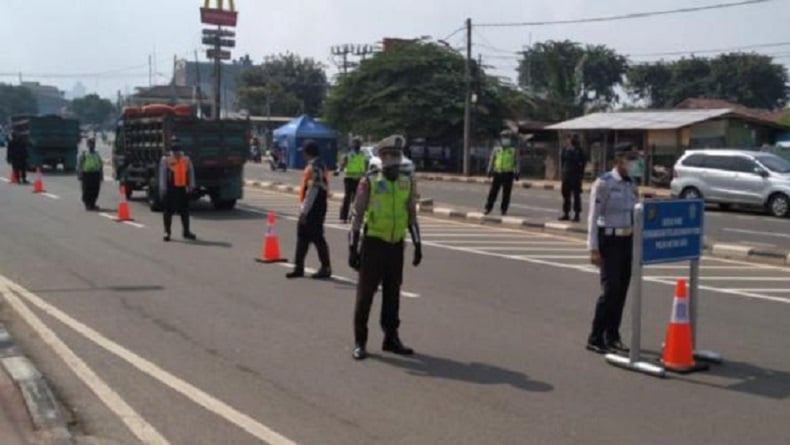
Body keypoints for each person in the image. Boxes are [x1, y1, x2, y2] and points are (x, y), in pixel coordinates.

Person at [348, 135, 423, 360]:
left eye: (396, 156)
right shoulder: (369, 181)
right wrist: (353, 247)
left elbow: (411, 214)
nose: (393, 160)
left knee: (393, 294)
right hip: (373, 244)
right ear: (381, 158)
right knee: (365, 296)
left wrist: (418, 244)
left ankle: (391, 337)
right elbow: (357, 214)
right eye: (388, 156)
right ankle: (360, 341)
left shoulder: (406, 182)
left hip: (396, 245)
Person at [586, 142, 639, 354]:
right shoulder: (604, 183)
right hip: (608, 241)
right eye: (630, 158)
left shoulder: (630, 183)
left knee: (622, 291)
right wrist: (593, 248)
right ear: (618, 160)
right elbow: (592, 217)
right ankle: (595, 337)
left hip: (627, 241)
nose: (634, 162)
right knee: (610, 291)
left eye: (635, 157)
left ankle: (613, 335)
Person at [286, 140, 332, 279]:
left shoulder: (314, 168)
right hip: (318, 205)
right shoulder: (320, 165)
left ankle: (325, 267)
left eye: (303, 151)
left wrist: (304, 212)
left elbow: (312, 191)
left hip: (314, 207)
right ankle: (298, 267)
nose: (302, 154)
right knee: (303, 237)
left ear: (307, 152)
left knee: (316, 237)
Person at [158, 137, 197, 242]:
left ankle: (186, 231)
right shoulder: (166, 159)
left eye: (178, 151)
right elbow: (162, 176)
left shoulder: (186, 159)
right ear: (172, 150)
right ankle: (167, 232)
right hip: (170, 189)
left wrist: (191, 186)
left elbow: (190, 173)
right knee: (168, 211)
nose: (177, 153)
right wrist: (163, 189)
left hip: (182, 189)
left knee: (185, 211)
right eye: (175, 151)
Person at [484, 129, 520, 216]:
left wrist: (517, 172)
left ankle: (504, 210)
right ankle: (488, 208)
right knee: (493, 192)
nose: (505, 139)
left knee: (506, 193)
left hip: (508, 173)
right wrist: (489, 170)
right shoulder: (497, 149)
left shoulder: (513, 150)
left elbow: (517, 162)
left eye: (507, 137)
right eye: (504, 137)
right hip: (497, 172)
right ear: (500, 138)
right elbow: (492, 160)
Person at [335, 137, 368, 223]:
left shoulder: (362, 155)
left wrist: (366, 174)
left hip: (359, 179)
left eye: (359, 143)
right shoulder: (348, 154)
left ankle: (354, 216)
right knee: (347, 197)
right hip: (349, 178)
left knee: (358, 199)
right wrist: (338, 170)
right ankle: (343, 217)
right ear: (352, 144)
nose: (357, 145)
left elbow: (365, 166)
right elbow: (343, 164)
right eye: (356, 143)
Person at [559, 134, 587, 222]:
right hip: (566, 175)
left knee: (576, 195)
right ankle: (566, 213)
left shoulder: (579, 150)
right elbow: (563, 161)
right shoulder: (565, 149)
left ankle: (577, 214)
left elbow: (583, 161)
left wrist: (581, 173)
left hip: (576, 175)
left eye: (570, 139)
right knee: (566, 194)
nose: (568, 141)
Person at [77, 137, 104, 211]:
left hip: (95, 174)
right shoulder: (84, 154)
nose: (92, 145)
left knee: (95, 190)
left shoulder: (96, 154)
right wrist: (80, 174)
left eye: (93, 144)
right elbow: (80, 164)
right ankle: (87, 204)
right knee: (86, 190)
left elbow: (100, 164)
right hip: (87, 174)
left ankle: (93, 204)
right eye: (90, 143)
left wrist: (101, 175)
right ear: (88, 145)